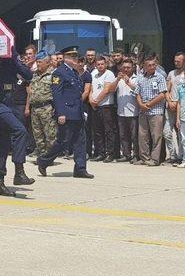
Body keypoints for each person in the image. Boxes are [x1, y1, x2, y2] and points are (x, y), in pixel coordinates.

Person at [0, 48, 35, 196]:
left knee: (4, 142)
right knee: (20, 130)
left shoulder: (12, 57)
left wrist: (13, 58)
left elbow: (28, 74)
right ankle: (19, 171)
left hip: (10, 100)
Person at [36, 47, 93, 179]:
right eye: (73, 58)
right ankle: (44, 161)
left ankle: (80, 168)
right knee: (63, 141)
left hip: (77, 112)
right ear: (66, 58)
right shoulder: (59, 73)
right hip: (66, 112)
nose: (75, 60)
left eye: (76, 57)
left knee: (80, 141)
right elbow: (57, 94)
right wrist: (61, 113)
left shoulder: (73, 72)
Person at [134, 54, 167, 166]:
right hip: (143, 111)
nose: (152, 67)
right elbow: (137, 92)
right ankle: (144, 158)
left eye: (154, 65)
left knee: (156, 136)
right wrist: (140, 104)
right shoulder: (140, 77)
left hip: (156, 112)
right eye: (149, 65)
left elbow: (162, 94)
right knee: (142, 136)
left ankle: (155, 159)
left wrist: (148, 104)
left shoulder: (160, 77)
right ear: (144, 66)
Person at [27, 50, 57, 157]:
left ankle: (49, 156)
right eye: (37, 62)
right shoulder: (34, 75)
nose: (38, 64)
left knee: (50, 134)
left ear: (47, 63)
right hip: (35, 108)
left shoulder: (53, 75)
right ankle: (42, 155)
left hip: (47, 108)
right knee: (37, 134)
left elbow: (57, 93)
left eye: (40, 62)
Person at [89, 56, 118, 162]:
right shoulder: (93, 74)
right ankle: (100, 153)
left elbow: (106, 90)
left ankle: (110, 153)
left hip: (106, 106)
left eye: (102, 64)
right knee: (97, 131)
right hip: (95, 106)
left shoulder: (109, 74)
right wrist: (91, 100)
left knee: (108, 131)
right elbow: (91, 89)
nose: (100, 66)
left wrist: (96, 101)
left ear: (106, 64)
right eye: (98, 64)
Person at [164, 52, 185, 164]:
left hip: (181, 107)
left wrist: (177, 103)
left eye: (179, 61)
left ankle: (181, 156)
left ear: (184, 61)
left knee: (180, 134)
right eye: (175, 61)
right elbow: (166, 90)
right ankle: (172, 155)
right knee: (167, 132)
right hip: (170, 107)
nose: (176, 63)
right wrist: (169, 101)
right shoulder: (171, 73)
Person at [116, 59, 139, 162]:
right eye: (124, 67)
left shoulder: (137, 78)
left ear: (132, 68)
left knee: (135, 136)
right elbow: (111, 89)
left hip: (134, 112)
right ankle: (126, 154)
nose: (126, 69)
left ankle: (136, 155)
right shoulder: (119, 79)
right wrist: (117, 80)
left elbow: (138, 90)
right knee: (123, 135)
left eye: (128, 67)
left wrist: (128, 82)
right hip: (121, 112)